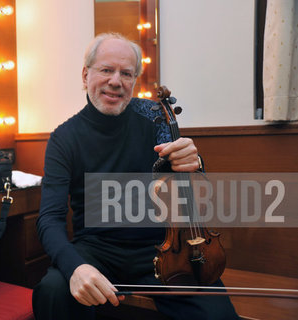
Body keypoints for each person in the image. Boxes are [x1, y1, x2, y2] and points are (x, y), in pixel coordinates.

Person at [32, 33, 239, 320]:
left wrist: (195, 163)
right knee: (52, 290)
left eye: (126, 73)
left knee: (216, 313)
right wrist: (76, 267)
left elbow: (188, 190)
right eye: (106, 70)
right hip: (95, 249)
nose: (115, 81)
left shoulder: (155, 117)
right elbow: (49, 219)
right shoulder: (63, 138)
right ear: (85, 75)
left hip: (159, 250)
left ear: (134, 80)